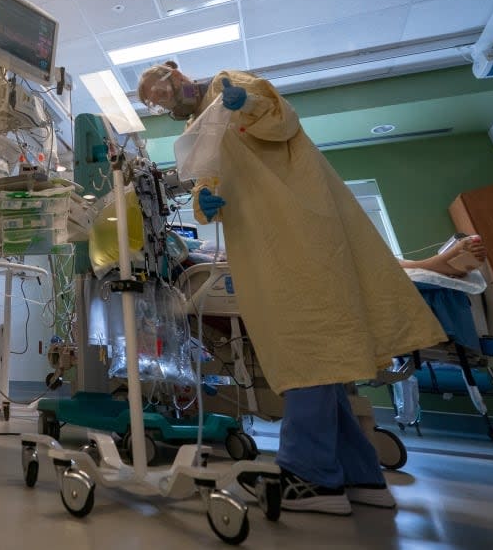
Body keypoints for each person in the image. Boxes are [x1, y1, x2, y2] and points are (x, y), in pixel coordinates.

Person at [138, 61, 446, 515]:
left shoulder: (228, 85)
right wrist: (204, 202)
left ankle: (311, 476)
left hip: (295, 226)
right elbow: (209, 176)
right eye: (153, 100)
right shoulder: (198, 126)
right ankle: (360, 474)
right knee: (314, 353)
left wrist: (248, 105)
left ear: (177, 74)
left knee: (305, 345)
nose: (163, 100)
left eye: (162, 89)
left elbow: (281, 118)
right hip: (262, 235)